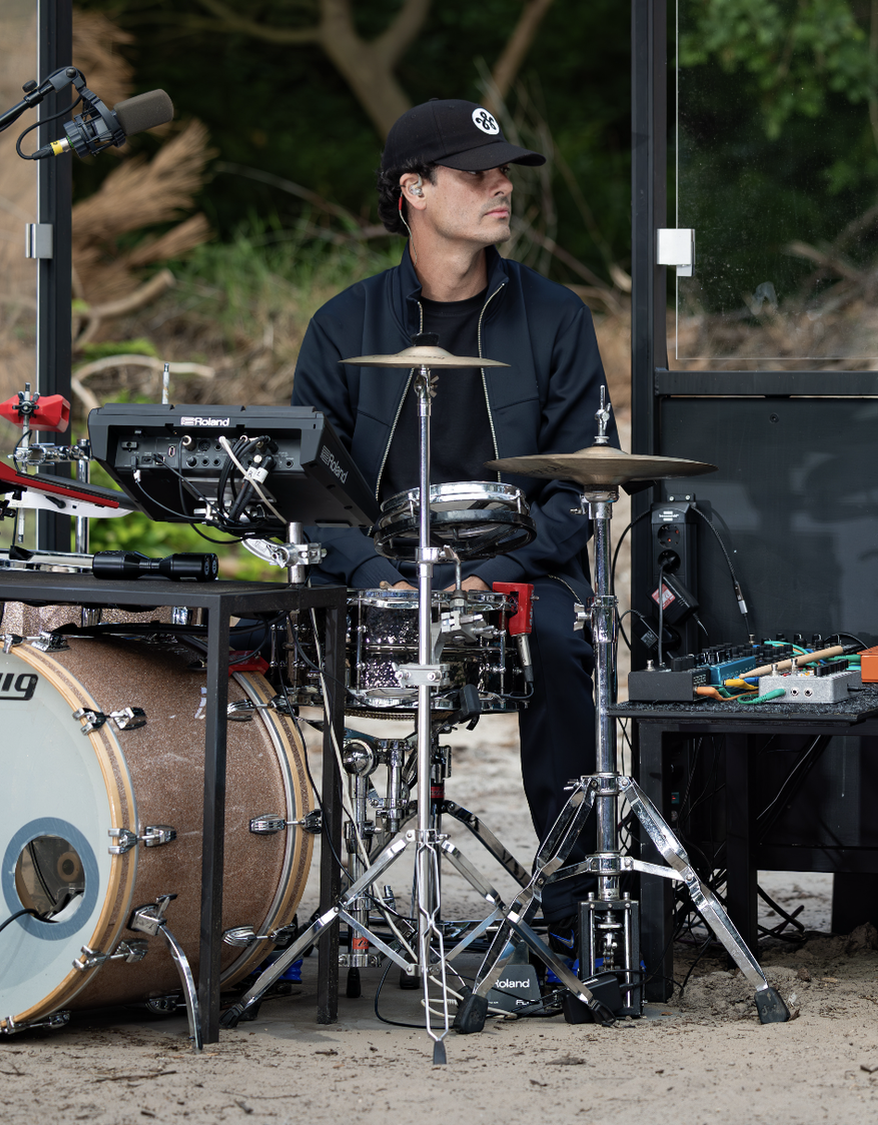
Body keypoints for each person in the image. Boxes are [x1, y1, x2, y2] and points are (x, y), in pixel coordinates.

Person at [291, 98, 607, 937]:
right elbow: (313, 491)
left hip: (518, 575)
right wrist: (377, 577)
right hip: (382, 577)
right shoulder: (342, 325)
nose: (502, 186)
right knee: (246, 643)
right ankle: (281, 901)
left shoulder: (557, 317)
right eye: (477, 173)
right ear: (414, 190)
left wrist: (493, 577)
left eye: (505, 171)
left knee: (564, 643)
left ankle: (577, 918)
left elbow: (579, 488)